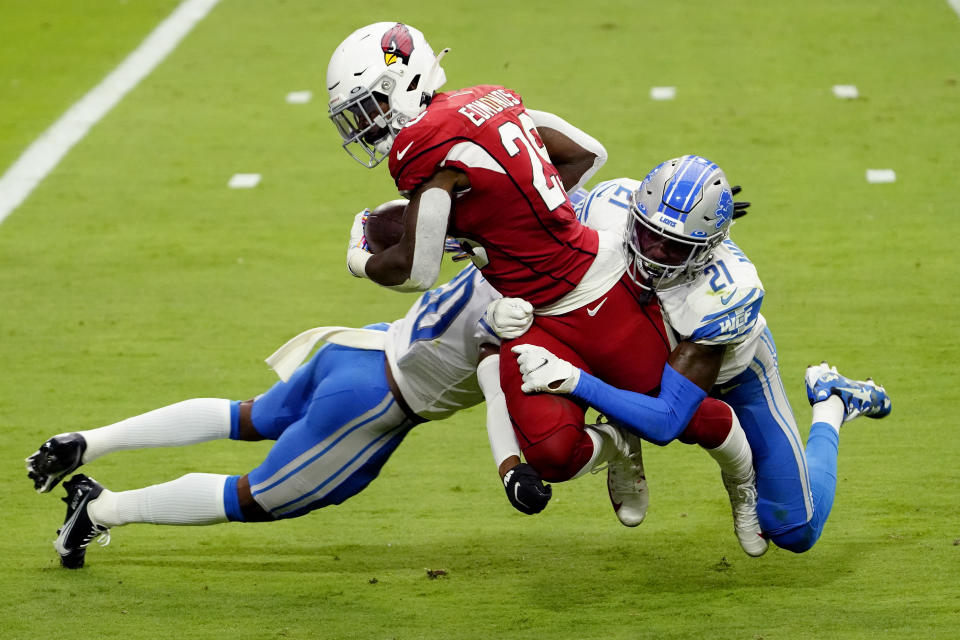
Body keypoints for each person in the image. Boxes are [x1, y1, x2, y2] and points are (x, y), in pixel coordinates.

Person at [325, 23, 761, 550]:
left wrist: (358, 260)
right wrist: (507, 223)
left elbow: (415, 273)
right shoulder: (484, 101)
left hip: (594, 291)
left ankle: (744, 485)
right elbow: (587, 154)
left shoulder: (426, 148)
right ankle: (618, 445)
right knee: (553, 456)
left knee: (678, 417)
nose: (365, 126)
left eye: (369, 107)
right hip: (532, 317)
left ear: (402, 82)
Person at [26, 256, 555, 569]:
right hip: (374, 404)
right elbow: (496, 386)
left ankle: (88, 440)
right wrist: (510, 467)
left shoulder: (516, 236)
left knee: (247, 416)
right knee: (255, 498)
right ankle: (97, 509)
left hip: (360, 346)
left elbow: (583, 157)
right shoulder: (544, 290)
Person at [495, 156, 893, 553]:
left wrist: (578, 381)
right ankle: (620, 437)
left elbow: (668, 419)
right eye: (647, 233)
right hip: (641, 353)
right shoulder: (607, 203)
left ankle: (832, 403)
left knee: (794, 530)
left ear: (707, 249)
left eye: (674, 248)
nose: (652, 252)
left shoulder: (726, 293)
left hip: (734, 379)